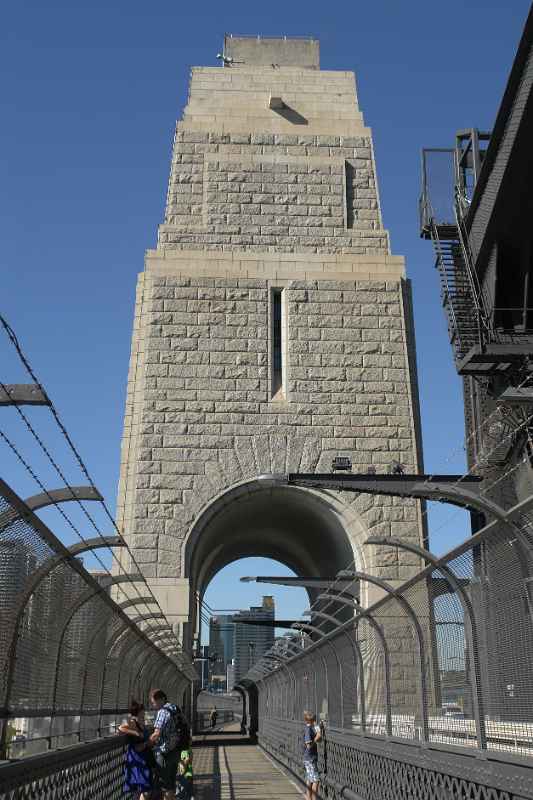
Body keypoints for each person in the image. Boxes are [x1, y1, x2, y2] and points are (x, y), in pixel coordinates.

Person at [149, 689, 187, 800]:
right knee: (171, 783)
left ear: (161, 699)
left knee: (165, 785)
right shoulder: (175, 708)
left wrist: (145, 744)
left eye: (153, 702)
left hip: (165, 753)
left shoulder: (163, 712)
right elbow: (185, 724)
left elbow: (156, 734)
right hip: (177, 750)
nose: (153, 705)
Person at [118, 700, 154, 800]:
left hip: (144, 758)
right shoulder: (132, 721)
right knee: (144, 790)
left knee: (142, 790)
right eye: (142, 711)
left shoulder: (141, 721)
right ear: (138, 712)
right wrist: (136, 733)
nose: (144, 712)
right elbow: (121, 728)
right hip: (136, 758)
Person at [302, 711, 322, 800]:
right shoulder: (308, 729)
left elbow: (319, 735)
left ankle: (308, 797)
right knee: (316, 780)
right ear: (311, 720)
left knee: (310, 779)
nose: (315, 721)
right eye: (314, 720)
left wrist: (318, 730)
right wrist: (316, 739)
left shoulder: (310, 728)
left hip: (308, 758)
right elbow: (309, 745)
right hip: (310, 758)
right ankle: (313, 798)